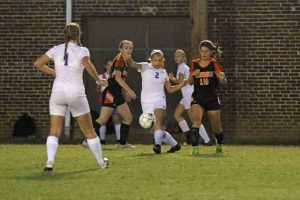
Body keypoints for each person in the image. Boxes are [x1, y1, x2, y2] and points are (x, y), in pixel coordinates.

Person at [34, 23, 109, 170]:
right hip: (76, 93)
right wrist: (98, 80)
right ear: (78, 35)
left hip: (58, 92)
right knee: (89, 131)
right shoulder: (82, 50)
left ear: (65, 34)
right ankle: (101, 162)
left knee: (54, 131)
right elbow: (87, 65)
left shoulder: (56, 49)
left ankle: (50, 161)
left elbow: (38, 63)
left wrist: (55, 73)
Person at [126, 49, 186, 154]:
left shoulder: (164, 72)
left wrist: (181, 85)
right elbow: (132, 64)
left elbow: (170, 89)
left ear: (163, 60)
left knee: (157, 123)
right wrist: (127, 54)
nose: (157, 63)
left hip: (159, 99)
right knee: (154, 128)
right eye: (155, 60)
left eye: (159, 60)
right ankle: (175, 145)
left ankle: (157, 146)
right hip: (146, 101)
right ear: (151, 60)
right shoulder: (145, 66)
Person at [188, 40, 227, 155]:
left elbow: (223, 81)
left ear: (211, 52)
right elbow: (190, 82)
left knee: (217, 128)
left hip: (212, 98)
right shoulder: (194, 63)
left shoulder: (214, 64)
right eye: (202, 51)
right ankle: (195, 149)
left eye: (206, 51)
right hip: (198, 98)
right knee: (196, 121)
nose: (204, 54)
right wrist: (192, 75)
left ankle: (219, 144)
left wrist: (222, 78)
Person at [95, 40, 136, 148]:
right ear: (121, 49)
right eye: (126, 48)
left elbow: (118, 80)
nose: (128, 50)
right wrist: (129, 90)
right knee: (103, 119)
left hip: (115, 92)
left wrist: (123, 92)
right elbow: (117, 78)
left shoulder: (125, 61)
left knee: (128, 118)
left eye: (130, 48)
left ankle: (122, 144)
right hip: (111, 93)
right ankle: (87, 140)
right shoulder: (120, 60)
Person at [169, 49, 212, 146]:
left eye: (179, 56)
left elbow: (181, 83)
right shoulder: (183, 67)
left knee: (194, 120)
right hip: (186, 96)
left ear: (183, 57)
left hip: (189, 96)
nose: (176, 58)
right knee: (177, 115)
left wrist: (171, 79)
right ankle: (188, 137)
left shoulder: (181, 67)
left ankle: (207, 141)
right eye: (175, 56)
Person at [82, 59, 121, 147]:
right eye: (108, 65)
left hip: (115, 99)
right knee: (103, 120)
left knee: (116, 118)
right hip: (104, 100)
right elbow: (97, 89)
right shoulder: (101, 76)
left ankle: (119, 140)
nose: (110, 66)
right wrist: (100, 85)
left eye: (112, 65)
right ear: (105, 66)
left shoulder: (117, 76)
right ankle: (102, 140)